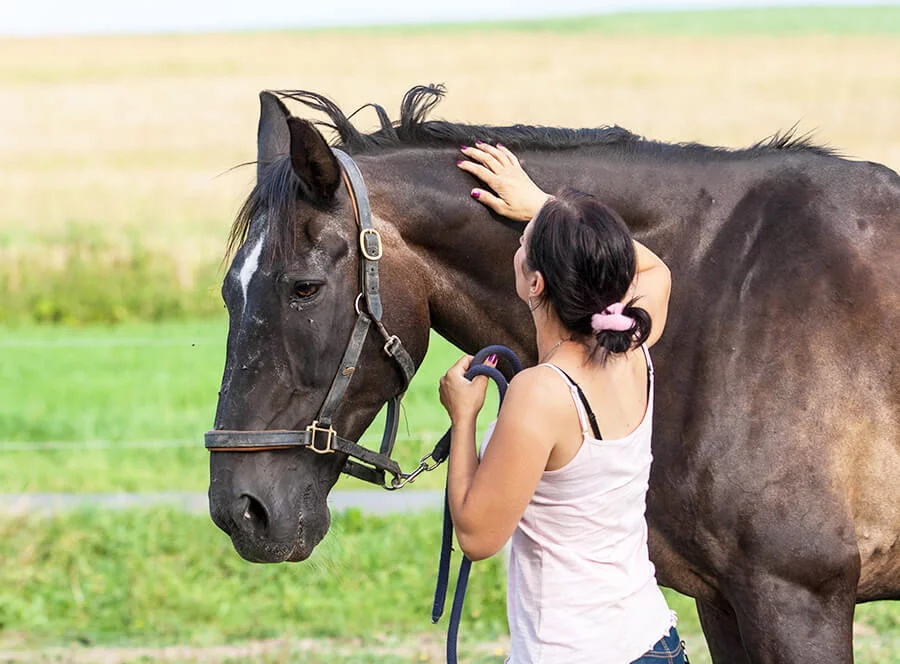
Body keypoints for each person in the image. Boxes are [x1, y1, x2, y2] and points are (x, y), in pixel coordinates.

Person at [438, 143, 684, 664]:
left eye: (524, 242)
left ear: (535, 282)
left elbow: (478, 535)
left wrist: (463, 418)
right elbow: (656, 269)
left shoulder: (541, 392)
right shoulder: (633, 345)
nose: (520, 243)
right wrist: (548, 211)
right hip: (653, 641)